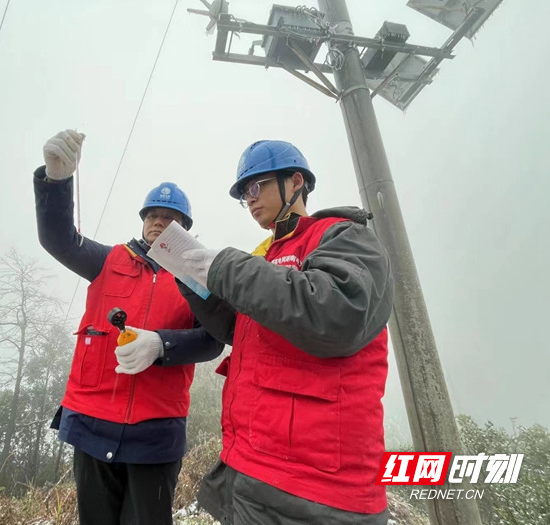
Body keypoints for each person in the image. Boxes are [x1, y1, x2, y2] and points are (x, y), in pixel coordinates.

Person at [121, 140, 395, 524]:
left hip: (318, 494)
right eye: (242, 195)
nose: (249, 200)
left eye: (255, 187)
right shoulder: (265, 256)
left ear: (295, 181)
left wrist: (225, 266)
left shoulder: (341, 236)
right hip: (252, 472)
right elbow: (241, 329)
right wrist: (192, 280)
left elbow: (340, 314)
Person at [32, 129, 224, 525]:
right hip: (91, 422)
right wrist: (57, 181)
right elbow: (59, 239)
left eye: (170, 218)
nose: (159, 222)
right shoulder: (109, 260)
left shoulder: (196, 278)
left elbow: (212, 341)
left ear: (185, 228)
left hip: (156, 434)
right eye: (153, 215)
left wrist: (161, 344)